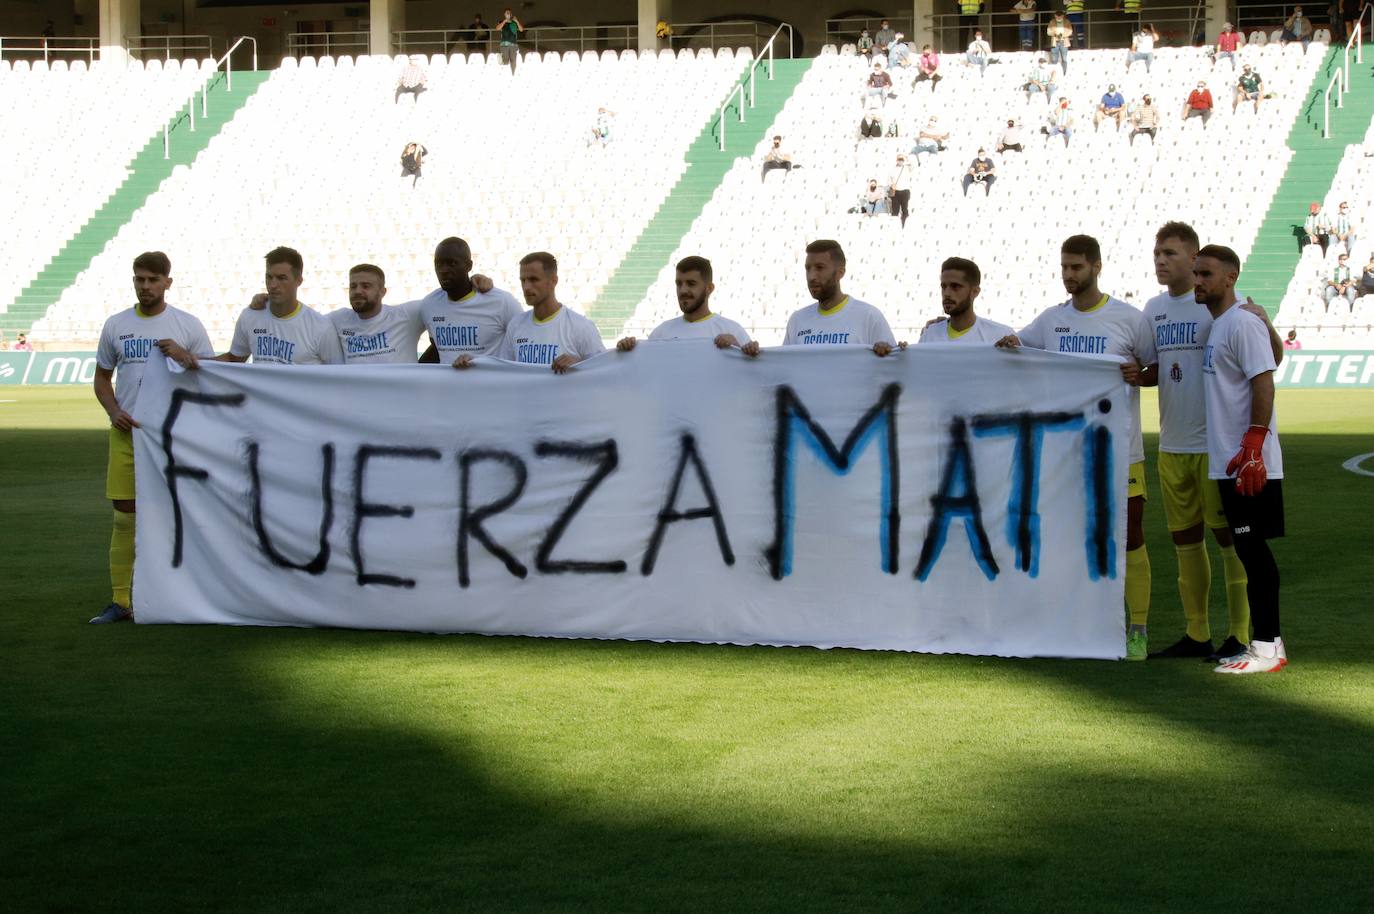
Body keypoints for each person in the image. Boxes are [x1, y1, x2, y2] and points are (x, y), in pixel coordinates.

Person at [996, 235, 1157, 660]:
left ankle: (1138, 629)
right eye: (1064, 267)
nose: (1068, 275)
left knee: (1130, 536)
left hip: (1121, 448)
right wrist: (1007, 343)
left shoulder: (1129, 319)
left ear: (1096, 267)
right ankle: (1074, 624)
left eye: (1076, 268)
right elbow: (1018, 346)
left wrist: (1140, 374)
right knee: (1068, 536)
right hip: (1066, 450)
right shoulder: (1051, 321)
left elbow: (1155, 367)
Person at [1138, 222, 1281, 661]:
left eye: (1172, 254)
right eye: (1157, 253)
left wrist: (1254, 441)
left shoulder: (1223, 313)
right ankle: (1196, 634)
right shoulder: (1153, 310)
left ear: (1196, 257)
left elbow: (1266, 363)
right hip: (1172, 443)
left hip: (1219, 450)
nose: (1162, 261)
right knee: (1185, 543)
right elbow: (1154, 368)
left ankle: (1242, 635)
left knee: (1236, 544)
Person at [89, 252, 214, 625]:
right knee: (125, 517)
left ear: (167, 283)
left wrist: (189, 357)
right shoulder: (116, 325)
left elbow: (209, 374)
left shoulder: (187, 325)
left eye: (152, 280)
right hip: (127, 435)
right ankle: (121, 601)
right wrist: (113, 411)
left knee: (179, 514)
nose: (145, 286)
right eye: (139, 279)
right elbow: (101, 379)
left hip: (173, 438)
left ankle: (186, 594)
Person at [1195, 245, 1289, 674]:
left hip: (1249, 462)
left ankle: (1267, 647)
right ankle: (1268, 644)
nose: (1198, 281)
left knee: (1254, 551)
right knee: (1249, 550)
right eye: (1196, 273)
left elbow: (1264, 382)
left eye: (1206, 274)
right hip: (1229, 461)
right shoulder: (1223, 325)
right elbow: (1271, 359)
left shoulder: (1240, 323)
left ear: (1230, 278)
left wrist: (1253, 445)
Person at [481, 252, 604, 373]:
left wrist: (579, 364)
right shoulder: (515, 324)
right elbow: (503, 371)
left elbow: (602, 370)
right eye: (523, 280)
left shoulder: (581, 327)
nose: (526, 287)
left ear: (553, 281)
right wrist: (474, 362)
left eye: (534, 279)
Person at [417, 237, 523, 366]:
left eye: (452, 263)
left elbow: (523, 345)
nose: (443, 270)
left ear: (469, 265)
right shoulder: (429, 305)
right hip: (447, 386)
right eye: (438, 264)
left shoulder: (502, 302)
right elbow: (437, 348)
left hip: (490, 385)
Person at [781, 240, 899, 355]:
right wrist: (762, 357)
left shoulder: (869, 317)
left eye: (819, 267)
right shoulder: (797, 320)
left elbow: (893, 364)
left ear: (840, 272)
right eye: (808, 268)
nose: (811, 276)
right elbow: (783, 367)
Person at [616, 256, 753, 352]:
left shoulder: (733, 331)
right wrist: (627, 351)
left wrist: (739, 348)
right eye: (679, 284)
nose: (683, 290)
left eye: (691, 284)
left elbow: (752, 376)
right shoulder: (661, 333)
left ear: (709, 288)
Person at [329, 264, 426, 364]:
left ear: (382, 292)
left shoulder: (407, 315)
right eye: (353, 286)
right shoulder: (338, 320)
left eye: (365, 286)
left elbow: (438, 303)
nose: (357, 291)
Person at [917, 257, 1014, 344]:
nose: (946, 293)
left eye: (955, 286)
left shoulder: (1000, 336)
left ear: (975, 292)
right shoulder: (929, 335)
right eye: (943, 286)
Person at [889, 153, 913, 226]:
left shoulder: (907, 168)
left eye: (902, 159)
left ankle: (905, 225)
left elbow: (913, 165)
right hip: (896, 191)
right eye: (899, 159)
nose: (900, 161)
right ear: (896, 160)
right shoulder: (892, 169)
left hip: (905, 191)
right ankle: (895, 226)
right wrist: (892, 185)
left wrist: (906, 158)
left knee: (905, 209)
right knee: (895, 210)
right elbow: (889, 180)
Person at [497, 8, 523, 73]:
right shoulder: (501, 22)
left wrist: (517, 21)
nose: (508, 14)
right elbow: (497, 28)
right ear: (504, 14)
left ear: (511, 14)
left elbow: (521, 29)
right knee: (505, 61)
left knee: (513, 61)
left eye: (509, 13)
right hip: (504, 45)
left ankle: (513, 73)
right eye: (507, 13)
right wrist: (504, 21)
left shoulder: (514, 22)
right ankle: (502, 64)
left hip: (513, 44)